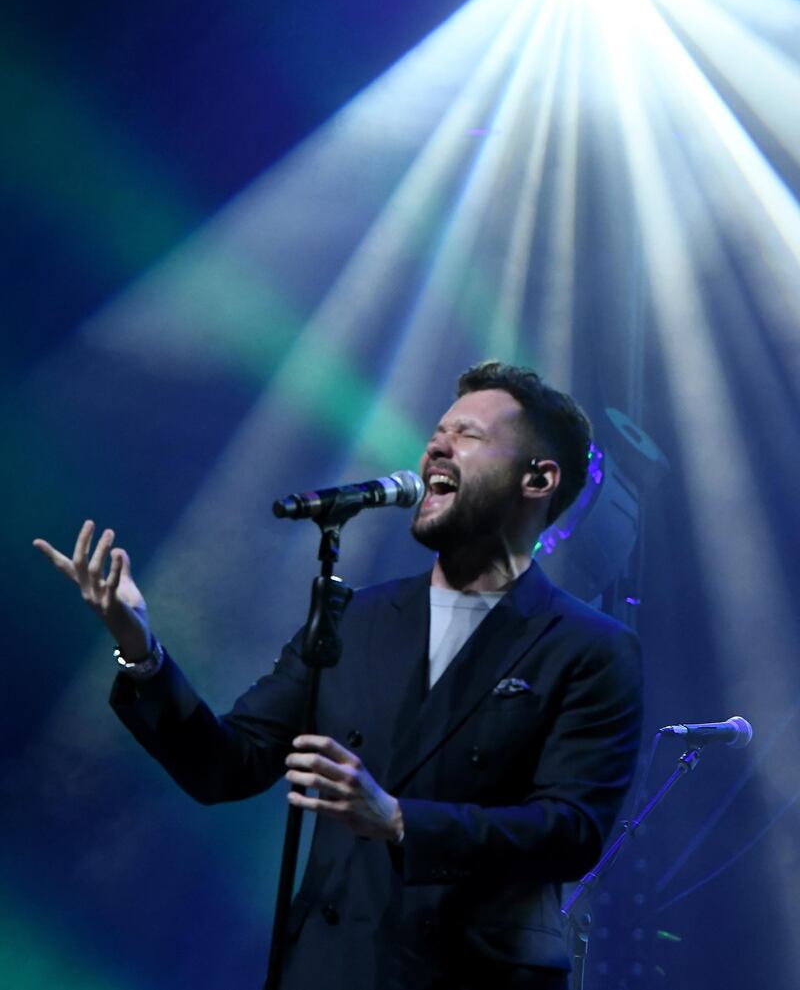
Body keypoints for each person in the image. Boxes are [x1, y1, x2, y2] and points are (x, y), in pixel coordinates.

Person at [35, 361, 642, 990]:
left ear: (538, 478)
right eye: (437, 431)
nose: (436, 444)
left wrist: (401, 819)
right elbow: (227, 766)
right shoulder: (355, 620)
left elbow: (571, 831)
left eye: (469, 435)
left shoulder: (587, 648)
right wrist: (142, 651)